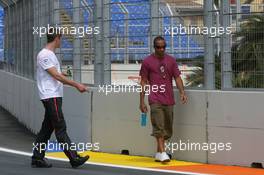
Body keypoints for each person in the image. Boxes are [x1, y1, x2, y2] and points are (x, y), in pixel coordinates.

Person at [31, 29, 89, 168]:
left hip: (53, 95)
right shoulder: (44, 54)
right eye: (60, 39)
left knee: (47, 128)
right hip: (51, 96)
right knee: (60, 127)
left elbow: (55, 73)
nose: (61, 41)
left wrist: (61, 73)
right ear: (56, 38)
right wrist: (76, 85)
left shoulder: (50, 54)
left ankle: (37, 157)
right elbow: (55, 76)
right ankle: (73, 157)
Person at [139, 36, 188, 162]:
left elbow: (177, 77)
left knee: (167, 129)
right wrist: (142, 101)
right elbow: (143, 81)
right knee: (159, 126)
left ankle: (158, 153)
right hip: (155, 99)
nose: (161, 49)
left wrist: (182, 92)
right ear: (154, 47)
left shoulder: (171, 60)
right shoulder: (147, 61)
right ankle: (163, 152)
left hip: (169, 99)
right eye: (158, 47)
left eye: (163, 47)